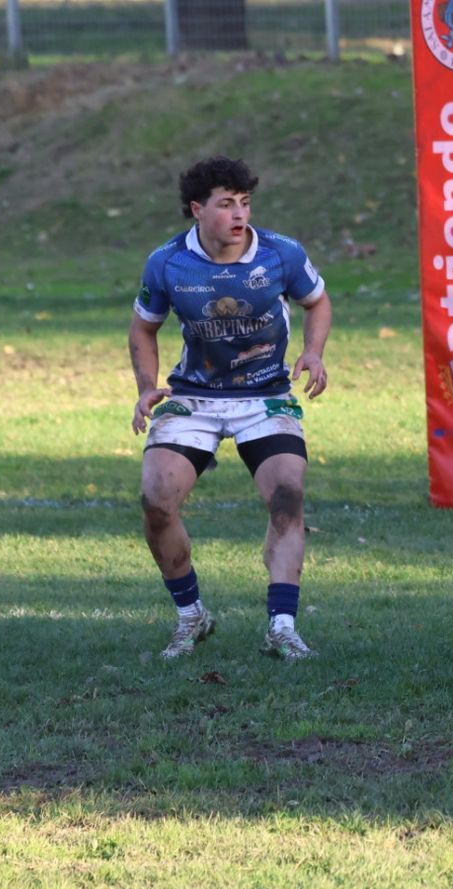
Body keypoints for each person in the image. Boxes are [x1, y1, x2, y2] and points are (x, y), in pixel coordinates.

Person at [129, 156, 331, 662]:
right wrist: (145, 387)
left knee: (287, 492)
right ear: (198, 210)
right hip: (192, 397)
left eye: (244, 203)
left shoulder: (281, 254)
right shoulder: (168, 262)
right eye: (225, 204)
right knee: (156, 499)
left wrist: (313, 352)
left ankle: (281, 626)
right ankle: (191, 615)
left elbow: (318, 302)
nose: (239, 214)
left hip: (266, 396)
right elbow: (143, 327)